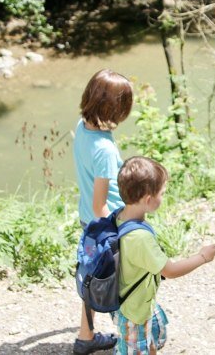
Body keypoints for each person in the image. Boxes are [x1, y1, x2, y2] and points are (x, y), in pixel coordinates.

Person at [110, 156, 215, 354]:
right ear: (149, 200)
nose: (163, 196)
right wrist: (202, 257)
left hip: (126, 298)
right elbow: (170, 271)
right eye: (162, 193)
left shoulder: (120, 215)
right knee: (135, 347)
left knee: (147, 343)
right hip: (134, 310)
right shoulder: (139, 238)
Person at [71, 69, 135, 354]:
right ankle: (132, 342)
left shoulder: (83, 128)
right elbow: (101, 204)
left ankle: (85, 337)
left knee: (92, 277)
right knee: (116, 284)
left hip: (88, 221)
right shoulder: (105, 150)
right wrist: (124, 231)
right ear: (115, 109)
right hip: (105, 225)